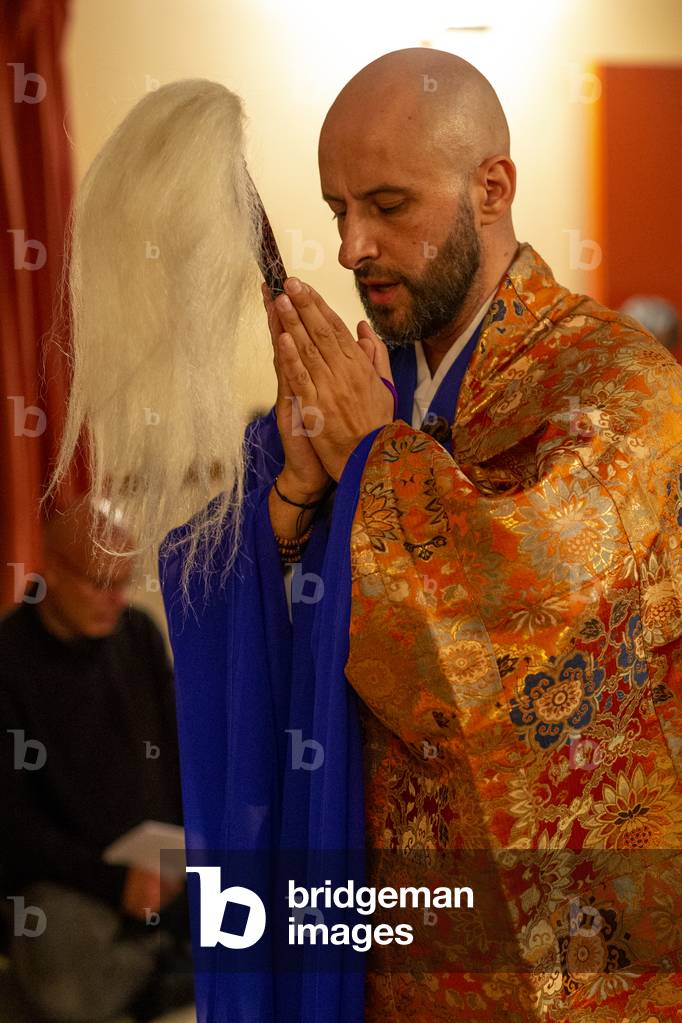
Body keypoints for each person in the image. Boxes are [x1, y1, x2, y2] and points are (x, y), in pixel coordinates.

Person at [158, 48, 682, 1022]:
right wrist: (296, 503)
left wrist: (375, 463)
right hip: (377, 951)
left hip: (554, 966)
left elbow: (510, 661)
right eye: (334, 210)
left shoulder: (620, 390)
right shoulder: (372, 387)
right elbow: (218, 583)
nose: (352, 246)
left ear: (492, 188)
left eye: (388, 205)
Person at [0, 498, 194, 1022]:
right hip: (71, 880)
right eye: (100, 583)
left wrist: (185, 846)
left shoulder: (137, 633)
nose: (117, 600)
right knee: (67, 992)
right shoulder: (9, 660)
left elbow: (177, 749)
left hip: (162, 864)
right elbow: (11, 825)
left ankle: (155, 964)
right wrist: (114, 883)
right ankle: (158, 967)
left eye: (125, 582)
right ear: (52, 570)